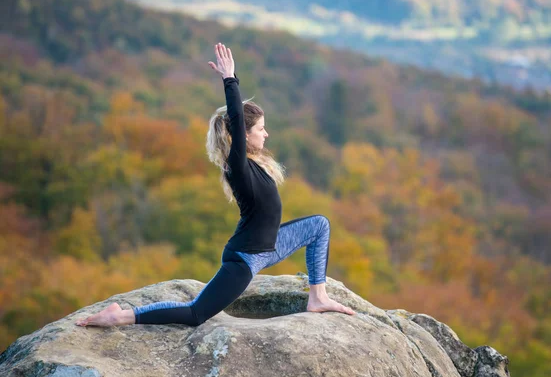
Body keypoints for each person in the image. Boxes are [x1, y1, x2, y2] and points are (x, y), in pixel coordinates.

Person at [75, 43, 355, 328]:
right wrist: (229, 78)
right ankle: (120, 316)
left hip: (270, 247)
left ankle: (318, 297)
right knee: (196, 314)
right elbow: (235, 117)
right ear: (243, 135)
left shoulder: (256, 163)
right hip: (244, 258)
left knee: (320, 225)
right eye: (260, 129)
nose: (267, 134)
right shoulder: (238, 168)